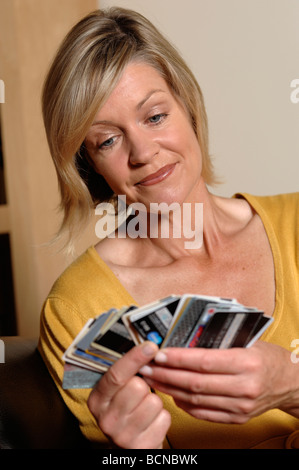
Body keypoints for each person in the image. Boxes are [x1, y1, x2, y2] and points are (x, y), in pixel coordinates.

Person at [38, 7, 299, 449]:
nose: (142, 152)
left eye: (155, 116)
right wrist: (137, 454)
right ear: (88, 164)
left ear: (188, 107)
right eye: (107, 140)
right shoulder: (78, 307)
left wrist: (292, 386)